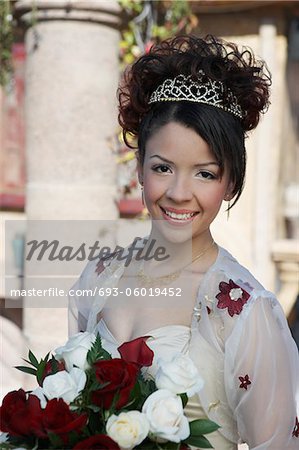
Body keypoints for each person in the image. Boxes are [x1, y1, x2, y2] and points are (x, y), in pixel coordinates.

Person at [69, 35, 299, 449]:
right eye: (163, 167)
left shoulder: (246, 312)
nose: (178, 192)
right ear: (139, 168)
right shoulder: (98, 277)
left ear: (230, 182)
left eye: (205, 173)